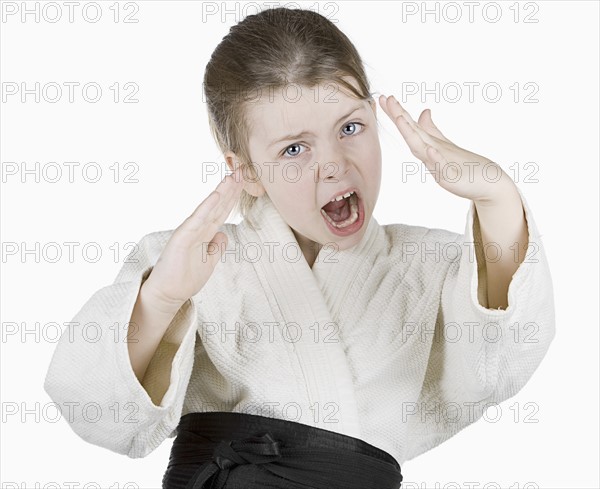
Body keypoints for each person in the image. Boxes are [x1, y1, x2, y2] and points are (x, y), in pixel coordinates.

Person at [43, 7, 556, 489]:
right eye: (294, 148)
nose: (333, 163)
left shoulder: (433, 268)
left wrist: (498, 200)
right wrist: (159, 300)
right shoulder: (192, 267)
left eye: (350, 127)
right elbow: (98, 415)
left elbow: (497, 366)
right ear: (245, 170)